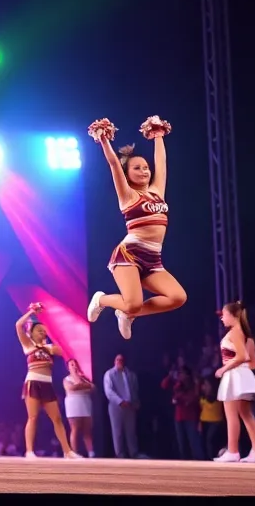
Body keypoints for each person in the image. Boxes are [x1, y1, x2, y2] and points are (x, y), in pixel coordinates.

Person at [86, 117, 187, 341]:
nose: (144, 171)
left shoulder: (157, 191)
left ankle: (128, 314)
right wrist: (103, 139)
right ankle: (101, 300)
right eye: (137, 168)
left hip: (153, 259)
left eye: (145, 168)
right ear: (127, 173)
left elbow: (161, 163)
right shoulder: (128, 195)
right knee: (133, 301)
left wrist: (158, 135)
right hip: (129, 255)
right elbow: (113, 163)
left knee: (177, 297)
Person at [15, 305, 81, 459]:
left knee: (57, 418)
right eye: (39, 330)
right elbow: (18, 325)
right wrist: (31, 312)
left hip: (47, 384)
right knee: (33, 417)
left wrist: (48, 339)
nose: (42, 332)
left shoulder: (49, 348)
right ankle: (29, 451)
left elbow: (62, 349)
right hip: (33, 382)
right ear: (31, 333)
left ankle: (67, 451)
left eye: (44, 331)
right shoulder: (28, 345)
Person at [214, 300, 255, 463]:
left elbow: (243, 357)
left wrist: (224, 369)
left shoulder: (235, 332)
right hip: (241, 374)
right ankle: (254, 452)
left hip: (234, 375)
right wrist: (242, 368)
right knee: (246, 414)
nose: (222, 318)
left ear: (232, 315)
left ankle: (233, 451)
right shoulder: (247, 337)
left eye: (224, 314)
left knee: (232, 415)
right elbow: (253, 362)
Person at [161, 364, 203, 460]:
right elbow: (164, 385)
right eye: (179, 373)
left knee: (193, 441)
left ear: (187, 374)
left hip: (190, 417)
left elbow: (194, 398)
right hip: (179, 417)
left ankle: (198, 460)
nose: (179, 375)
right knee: (181, 442)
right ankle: (184, 460)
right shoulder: (178, 384)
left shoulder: (193, 384)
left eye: (182, 373)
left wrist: (180, 397)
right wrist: (170, 376)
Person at [103, 353, 140, 458]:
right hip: (116, 407)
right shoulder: (109, 374)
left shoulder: (131, 374)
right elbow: (108, 391)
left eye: (121, 360)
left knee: (131, 431)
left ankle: (134, 453)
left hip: (130, 406)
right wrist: (120, 401)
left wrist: (135, 402)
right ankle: (120, 455)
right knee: (117, 431)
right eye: (117, 359)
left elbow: (135, 390)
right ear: (114, 361)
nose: (119, 361)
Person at [62, 359, 95, 457]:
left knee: (87, 431)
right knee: (75, 429)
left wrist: (81, 385)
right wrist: (84, 386)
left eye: (75, 364)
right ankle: (74, 453)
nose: (74, 366)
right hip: (73, 406)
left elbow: (92, 387)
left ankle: (91, 452)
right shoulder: (66, 379)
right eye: (72, 365)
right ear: (68, 368)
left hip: (85, 404)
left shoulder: (84, 378)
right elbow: (70, 388)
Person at [198, 377, 223, 460]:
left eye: (206, 385)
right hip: (204, 420)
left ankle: (212, 458)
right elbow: (201, 409)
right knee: (203, 442)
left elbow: (210, 403)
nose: (204, 386)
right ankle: (206, 459)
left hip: (216, 421)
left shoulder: (217, 396)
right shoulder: (202, 395)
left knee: (210, 440)